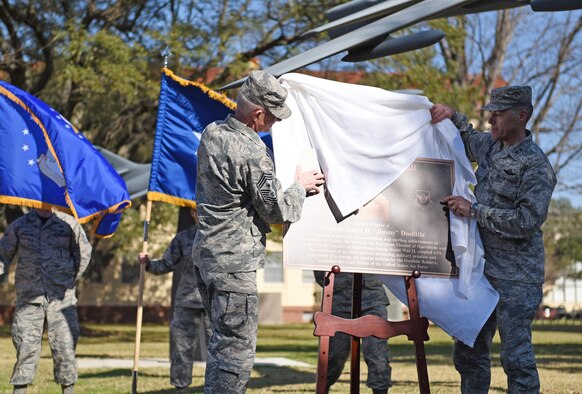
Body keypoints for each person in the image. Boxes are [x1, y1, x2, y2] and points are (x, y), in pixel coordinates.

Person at [192, 70, 325, 393]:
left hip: (207, 258)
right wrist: (299, 187)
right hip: (234, 264)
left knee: (221, 346)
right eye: (273, 119)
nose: (274, 125)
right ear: (258, 115)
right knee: (236, 352)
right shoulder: (251, 153)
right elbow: (276, 210)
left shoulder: (212, 133)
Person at [430, 85, 556, 393]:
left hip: (516, 276)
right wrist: (452, 115)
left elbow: (527, 222)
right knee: (468, 349)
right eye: (490, 114)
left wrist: (475, 211)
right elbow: (467, 140)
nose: (491, 121)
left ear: (522, 116)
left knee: (516, 358)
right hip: (480, 271)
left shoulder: (536, 166)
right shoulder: (491, 146)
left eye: (498, 115)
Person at [0, 208, 92, 394]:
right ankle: (20, 391)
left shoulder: (69, 224)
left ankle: (68, 391)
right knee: (25, 347)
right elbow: (2, 255)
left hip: (61, 299)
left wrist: (68, 279)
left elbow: (83, 254)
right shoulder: (20, 225)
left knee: (65, 347)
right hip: (29, 298)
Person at [138, 207, 211, 393]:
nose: (201, 213)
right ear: (192, 214)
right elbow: (166, 264)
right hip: (187, 300)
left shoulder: (221, 236)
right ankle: (181, 388)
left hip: (214, 301)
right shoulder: (183, 238)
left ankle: (216, 388)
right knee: (182, 347)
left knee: (218, 349)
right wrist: (148, 264)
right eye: (197, 210)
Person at [314, 271, 392, 394]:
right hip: (339, 298)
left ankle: (380, 390)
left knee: (377, 353)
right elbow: (319, 270)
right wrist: (336, 284)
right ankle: (323, 388)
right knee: (334, 355)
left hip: (372, 298)